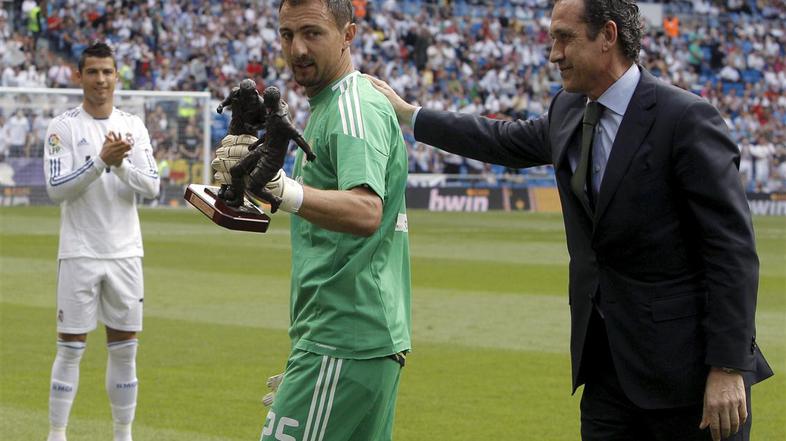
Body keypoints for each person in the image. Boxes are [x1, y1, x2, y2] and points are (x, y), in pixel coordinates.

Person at [366, 0, 772, 440]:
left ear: (608, 36)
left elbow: (731, 252)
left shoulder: (685, 119)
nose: (553, 54)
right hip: (605, 371)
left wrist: (728, 366)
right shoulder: (568, 109)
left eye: (565, 38)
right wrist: (411, 114)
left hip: (688, 377)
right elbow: (502, 140)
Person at [213, 1, 411, 440]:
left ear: (348, 35)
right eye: (287, 35)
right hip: (349, 343)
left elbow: (367, 210)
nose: (297, 48)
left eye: (312, 33)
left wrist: (282, 189)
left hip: (343, 338)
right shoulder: (330, 105)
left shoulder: (352, 107)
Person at [42, 42, 159, 441]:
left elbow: (153, 186)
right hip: (79, 252)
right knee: (70, 347)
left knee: (125, 349)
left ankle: (123, 435)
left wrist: (120, 165)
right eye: (92, 71)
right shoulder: (63, 127)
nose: (100, 79)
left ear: (117, 76)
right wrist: (100, 161)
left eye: (107, 71)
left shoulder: (133, 125)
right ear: (79, 76)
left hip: (125, 252)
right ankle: (57, 434)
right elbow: (56, 188)